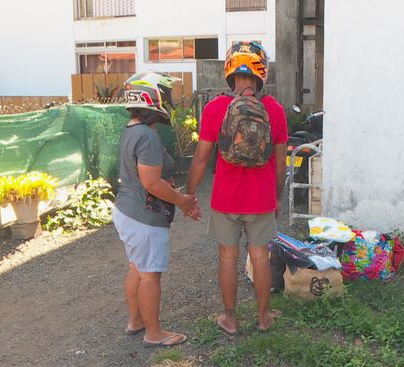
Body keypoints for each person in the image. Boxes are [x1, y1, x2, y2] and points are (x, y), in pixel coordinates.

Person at [186, 42, 289, 334]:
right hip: (261, 199)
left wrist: (189, 195)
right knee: (260, 257)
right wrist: (276, 197)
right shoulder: (275, 110)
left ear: (230, 71)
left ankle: (230, 318)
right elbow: (280, 163)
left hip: (225, 199)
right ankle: (263, 317)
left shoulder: (215, 108)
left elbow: (202, 158)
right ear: (261, 72)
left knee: (228, 257)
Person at [113, 71, 198, 347]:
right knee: (149, 274)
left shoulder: (132, 130)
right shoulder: (147, 137)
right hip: (144, 216)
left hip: (128, 210)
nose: (169, 99)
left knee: (137, 268)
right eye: (165, 93)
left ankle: (136, 321)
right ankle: (153, 333)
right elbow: (151, 182)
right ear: (152, 97)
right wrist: (183, 200)